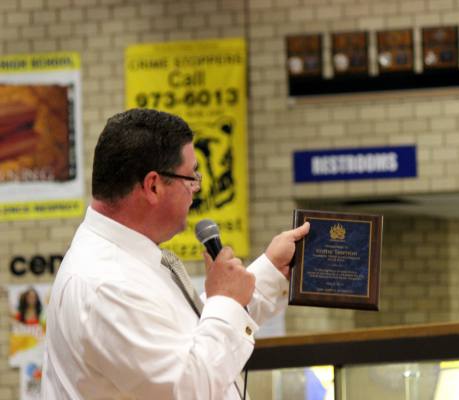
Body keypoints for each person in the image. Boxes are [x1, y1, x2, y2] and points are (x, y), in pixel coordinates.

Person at [41, 108, 310, 399]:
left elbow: (186, 335)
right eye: (191, 177)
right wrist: (226, 300)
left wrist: (270, 269)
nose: (195, 189)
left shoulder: (124, 258)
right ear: (153, 186)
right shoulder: (105, 283)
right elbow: (187, 388)